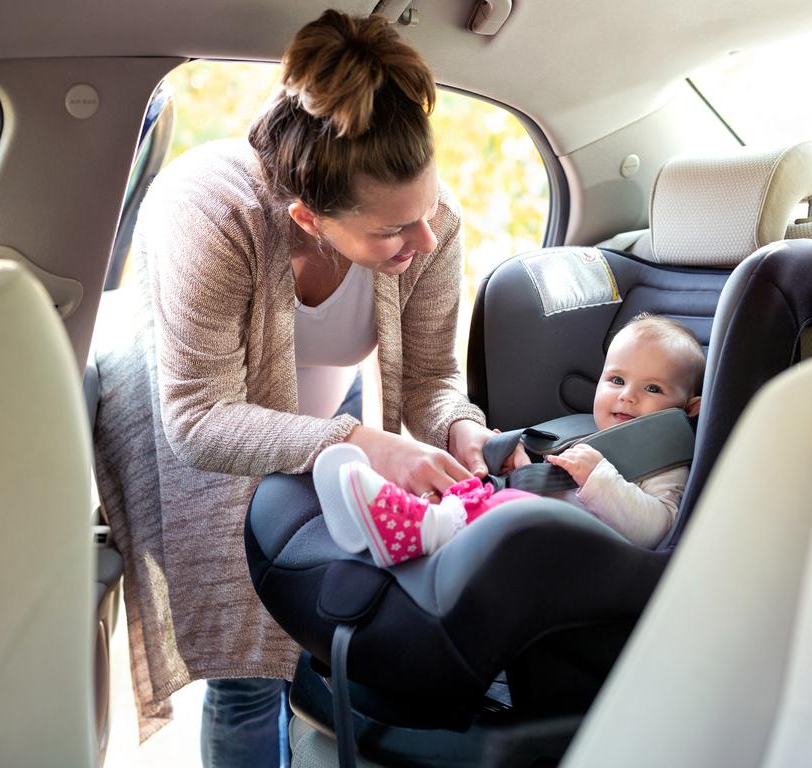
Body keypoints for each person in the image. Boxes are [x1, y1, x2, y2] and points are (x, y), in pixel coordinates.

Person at [93, 9, 522, 767]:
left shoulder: (428, 222)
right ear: (307, 219)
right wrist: (358, 443)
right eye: (393, 232)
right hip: (197, 429)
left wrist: (461, 428)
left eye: (427, 213)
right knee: (249, 671)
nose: (424, 241)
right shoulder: (210, 211)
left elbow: (430, 380)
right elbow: (197, 416)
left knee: (319, 643)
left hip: (327, 414)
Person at [314, 313, 705, 565]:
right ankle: (375, 520)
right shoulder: (588, 433)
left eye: (652, 388)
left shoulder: (666, 460)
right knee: (478, 489)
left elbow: (658, 529)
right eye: (616, 380)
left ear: (688, 409)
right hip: (540, 524)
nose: (627, 396)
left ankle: (418, 528)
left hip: (584, 555)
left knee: (509, 510)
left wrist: (599, 477)